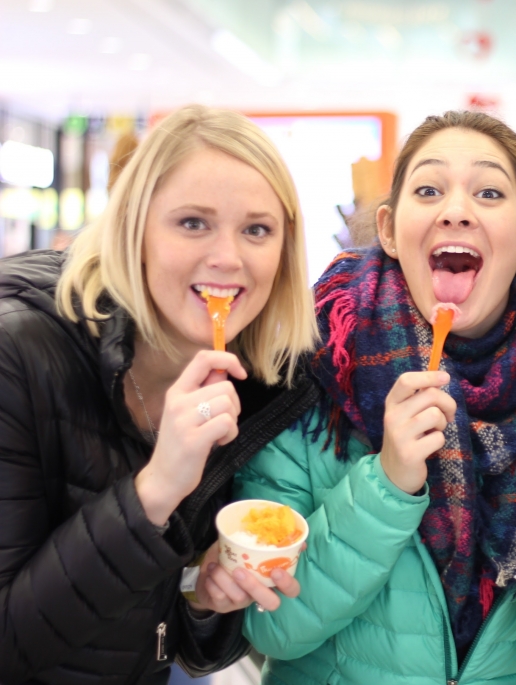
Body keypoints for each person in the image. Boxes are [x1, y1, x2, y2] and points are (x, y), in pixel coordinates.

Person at [235, 110, 516, 684]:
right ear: (391, 228)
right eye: (429, 189)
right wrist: (387, 483)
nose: (455, 210)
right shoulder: (315, 366)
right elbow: (272, 625)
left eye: (489, 191)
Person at [0, 104, 319, 684]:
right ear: (135, 229)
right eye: (193, 222)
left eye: (256, 229)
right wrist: (154, 490)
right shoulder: (17, 352)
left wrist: (203, 593)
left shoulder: (259, 384)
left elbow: (174, 635)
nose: (228, 257)